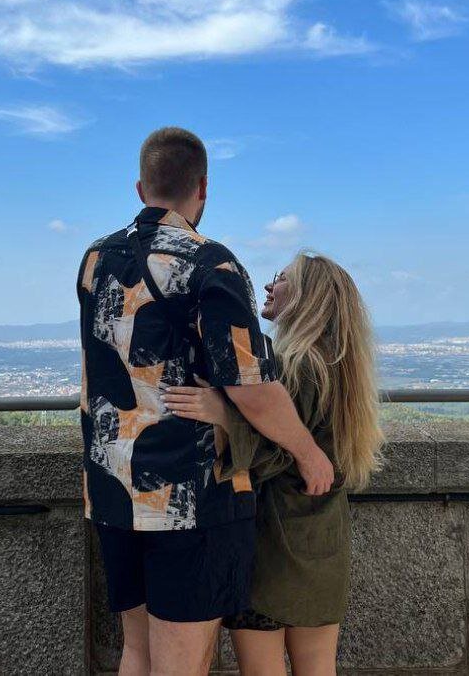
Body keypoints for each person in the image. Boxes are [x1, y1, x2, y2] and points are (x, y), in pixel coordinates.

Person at [76, 127, 334, 676]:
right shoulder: (211, 264)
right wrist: (309, 453)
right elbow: (251, 387)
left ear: (141, 187)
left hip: (112, 490)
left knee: (137, 651)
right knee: (182, 663)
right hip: (190, 498)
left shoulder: (95, 259)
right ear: (203, 188)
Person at [163, 252, 385, 676]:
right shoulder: (338, 367)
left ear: (307, 296)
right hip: (323, 542)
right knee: (318, 667)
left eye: (282, 279)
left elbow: (279, 454)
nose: (268, 285)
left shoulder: (291, 368)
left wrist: (224, 415)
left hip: (269, 546)